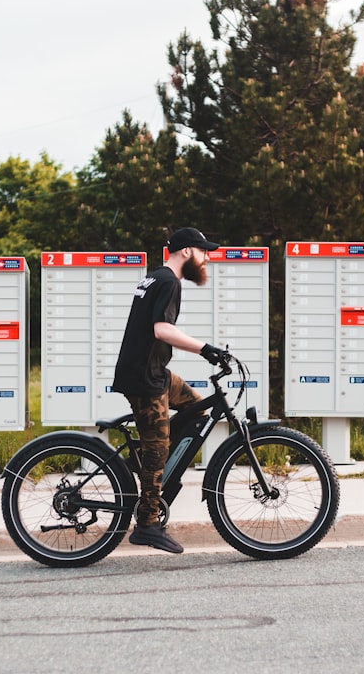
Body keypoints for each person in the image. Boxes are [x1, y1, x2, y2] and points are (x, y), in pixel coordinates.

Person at [112, 226, 227, 554]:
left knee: (197, 407)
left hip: (155, 372)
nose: (206, 259)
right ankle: (147, 523)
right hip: (145, 379)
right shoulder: (169, 281)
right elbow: (161, 329)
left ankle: (150, 462)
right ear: (187, 251)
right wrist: (206, 349)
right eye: (204, 252)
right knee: (157, 446)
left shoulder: (155, 277)